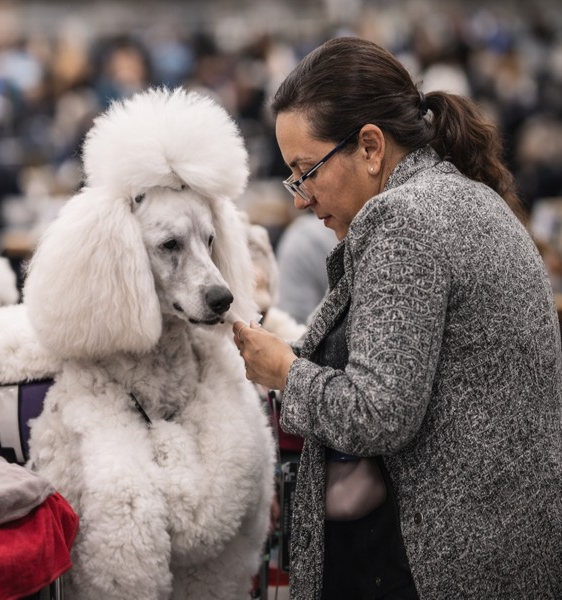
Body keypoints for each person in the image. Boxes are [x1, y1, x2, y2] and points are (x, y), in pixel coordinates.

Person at [233, 37, 562, 600]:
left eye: (305, 171)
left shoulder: (403, 220)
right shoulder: (462, 196)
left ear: (369, 146)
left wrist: (285, 370)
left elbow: (377, 414)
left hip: (441, 565)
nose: (300, 199)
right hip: (500, 550)